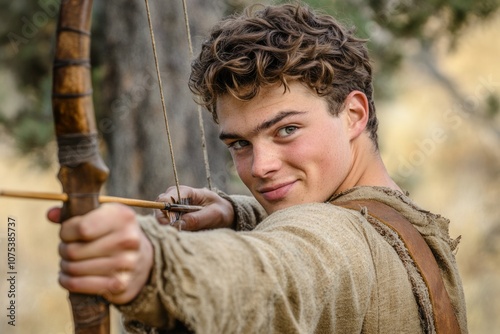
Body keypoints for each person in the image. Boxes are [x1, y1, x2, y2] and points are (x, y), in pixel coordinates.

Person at [47, 3, 468, 333]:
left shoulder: (341, 244)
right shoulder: (398, 221)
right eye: (240, 144)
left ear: (354, 114)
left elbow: (275, 274)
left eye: (286, 129)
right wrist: (238, 214)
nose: (260, 167)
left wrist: (150, 264)